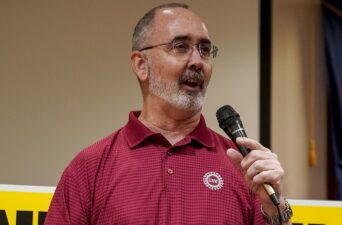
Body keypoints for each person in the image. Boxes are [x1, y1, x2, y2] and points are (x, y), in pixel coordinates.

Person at [45, 3, 292, 225]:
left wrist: (275, 207)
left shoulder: (243, 168)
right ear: (141, 65)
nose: (197, 61)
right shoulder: (90, 167)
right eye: (181, 47)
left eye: (205, 50)